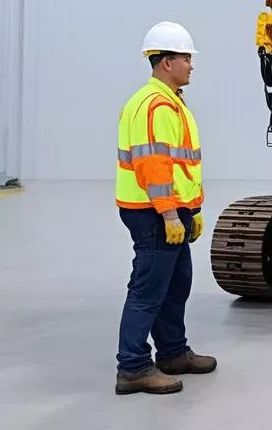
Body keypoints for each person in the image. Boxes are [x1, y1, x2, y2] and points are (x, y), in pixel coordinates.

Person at [114, 20, 217, 396]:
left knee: (176, 285)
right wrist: (170, 214)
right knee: (148, 290)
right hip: (153, 212)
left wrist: (194, 209)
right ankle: (133, 367)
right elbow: (153, 165)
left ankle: (172, 353)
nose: (191, 65)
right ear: (165, 62)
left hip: (174, 209)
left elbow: (184, 165)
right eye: (186, 58)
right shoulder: (153, 105)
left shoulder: (172, 102)